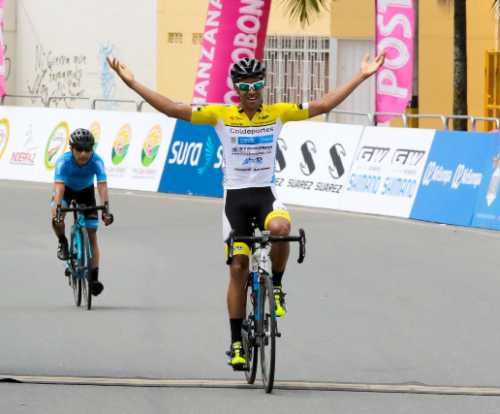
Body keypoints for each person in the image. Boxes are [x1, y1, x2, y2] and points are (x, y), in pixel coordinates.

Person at [107, 53, 385, 369]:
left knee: (281, 231)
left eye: (256, 84)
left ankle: (276, 285)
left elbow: (323, 105)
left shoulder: (278, 113)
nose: (251, 90)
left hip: (266, 194)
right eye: (244, 85)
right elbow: (172, 108)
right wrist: (132, 83)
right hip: (235, 201)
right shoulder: (220, 115)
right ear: (236, 88)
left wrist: (362, 75)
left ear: (263, 85)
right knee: (238, 267)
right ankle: (237, 342)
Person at [51, 129, 114, 296]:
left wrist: (106, 209)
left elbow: (101, 186)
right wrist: (58, 210)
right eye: (79, 149)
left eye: (88, 149)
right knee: (57, 218)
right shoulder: (63, 162)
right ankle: (63, 241)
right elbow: (59, 188)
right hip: (66, 191)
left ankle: (93, 280)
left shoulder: (97, 161)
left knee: (92, 234)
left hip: (86, 192)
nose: (84, 153)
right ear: (71, 148)